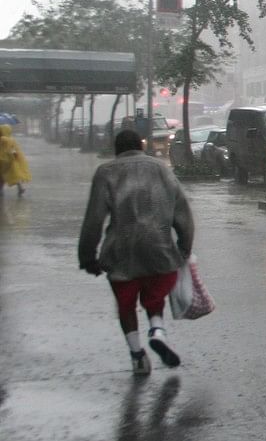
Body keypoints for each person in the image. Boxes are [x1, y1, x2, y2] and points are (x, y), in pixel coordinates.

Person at [78, 129, 195, 376]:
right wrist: (184, 247)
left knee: (126, 304)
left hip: (120, 251)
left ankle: (137, 356)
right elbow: (182, 211)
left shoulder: (106, 172)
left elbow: (94, 218)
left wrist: (87, 256)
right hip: (160, 248)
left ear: (116, 149)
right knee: (154, 298)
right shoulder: (162, 169)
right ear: (141, 146)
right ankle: (157, 330)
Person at [0, 124, 31, 197]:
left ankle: (1, 190)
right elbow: (15, 150)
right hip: (12, 159)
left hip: (2, 160)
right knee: (15, 175)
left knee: (1, 175)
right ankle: (20, 188)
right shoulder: (12, 139)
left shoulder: (2, 139)